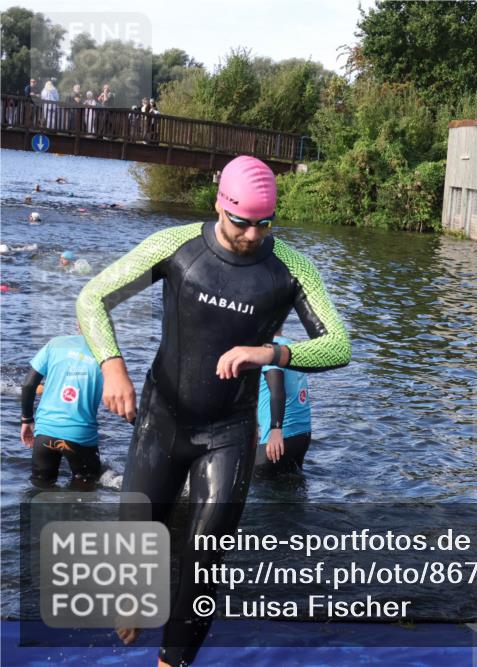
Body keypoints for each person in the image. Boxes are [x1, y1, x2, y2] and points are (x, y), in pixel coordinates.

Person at [76, 154, 351, 666]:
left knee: (205, 560)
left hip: (228, 431)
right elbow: (92, 298)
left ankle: (172, 660)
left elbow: (339, 346)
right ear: (219, 206)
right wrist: (112, 366)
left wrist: (271, 353)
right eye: (241, 222)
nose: (252, 235)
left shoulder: (290, 268)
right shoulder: (175, 247)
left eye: (264, 224)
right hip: (162, 419)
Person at [20, 333, 104, 490]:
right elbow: (119, 401)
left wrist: (26, 419)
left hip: (45, 433)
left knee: (40, 490)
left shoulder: (55, 344)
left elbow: (28, 385)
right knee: (85, 492)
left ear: (79, 323)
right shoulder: (108, 356)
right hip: (80, 437)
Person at [255, 330, 312, 477]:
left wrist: (275, 430)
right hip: (302, 436)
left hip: (278, 438)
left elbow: (277, 390)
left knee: (253, 490)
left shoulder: (269, 349)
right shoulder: (291, 348)